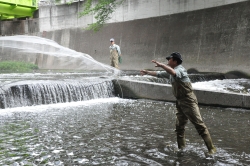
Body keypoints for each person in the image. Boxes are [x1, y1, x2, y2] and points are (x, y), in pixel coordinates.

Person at [140, 52, 217, 154]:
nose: (168, 61)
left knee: (199, 125)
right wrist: (147, 72)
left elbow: (174, 73)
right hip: (180, 101)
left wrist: (162, 65)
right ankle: (181, 148)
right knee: (179, 127)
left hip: (188, 101)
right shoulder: (171, 72)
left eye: (169, 59)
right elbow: (158, 74)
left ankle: (211, 149)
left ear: (175, 61)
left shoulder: (180, 69)